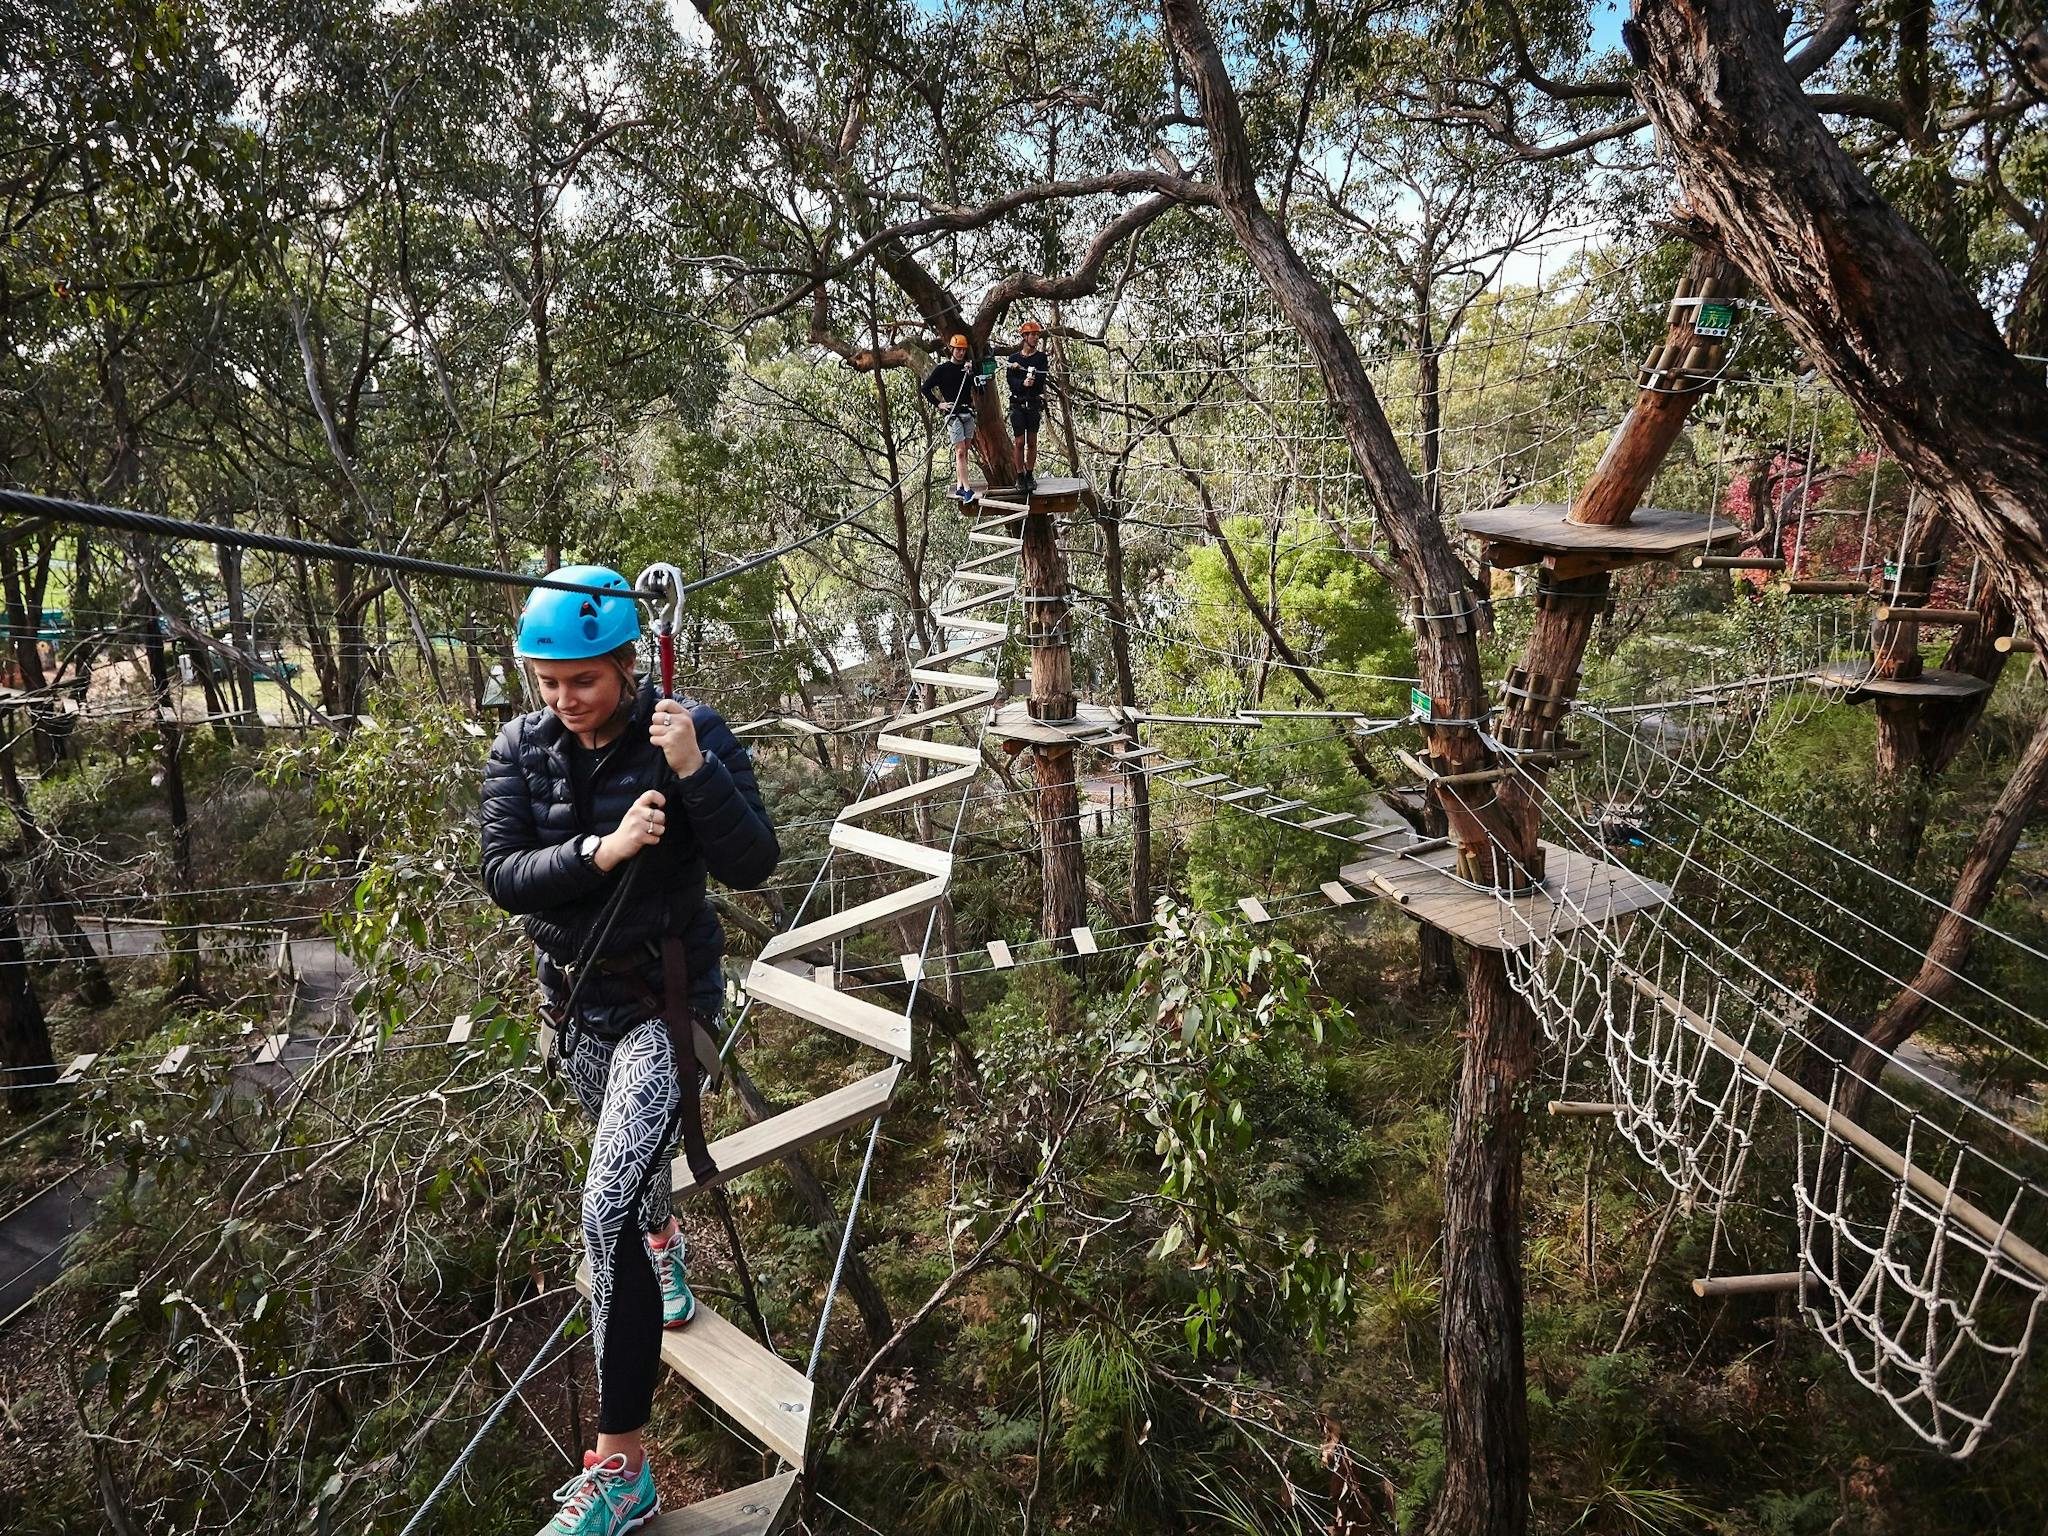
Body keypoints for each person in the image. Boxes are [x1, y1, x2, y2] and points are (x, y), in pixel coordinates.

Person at [480, 566, 779, 1536]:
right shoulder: (520, 750)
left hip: (667, 1001)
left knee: (603, 1206)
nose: (565, 700)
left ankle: (624, 1470)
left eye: (584, 680)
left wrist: (694, 770)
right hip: (575, 1006)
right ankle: (664, 1243)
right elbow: (503, 874)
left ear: (625, 665)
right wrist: (599, 852)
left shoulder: (685, 730)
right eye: (548, 683)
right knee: (634, 1185)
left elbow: (753, 863)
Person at [920, 333, 985, 503]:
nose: (961, 353)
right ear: (951, 349)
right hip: (953, 415)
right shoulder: (942, 369)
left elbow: (979, 390)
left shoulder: (967, 370)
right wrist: (939, 404)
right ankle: (967, 490)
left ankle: (959, 486)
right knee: (961, 452)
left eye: (963, 350)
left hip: (967, 413)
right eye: (958, 350)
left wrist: (972, 373)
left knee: (963, 452)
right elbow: (925, 388)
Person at [1005, 320, 1051, 493]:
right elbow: (1010, 381)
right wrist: (1022, 383)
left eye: (1037, 335)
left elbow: (1041, 380)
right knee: (1019, 442)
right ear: (1024, 337)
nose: (1035, 338)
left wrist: (1030, 379)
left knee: (1032, 442)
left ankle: (1030, 474)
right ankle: (1019, 476)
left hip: (1033, 403)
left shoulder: (1041, 358)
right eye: (1032, 335)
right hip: (1017, 403)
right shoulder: (1013, 359)